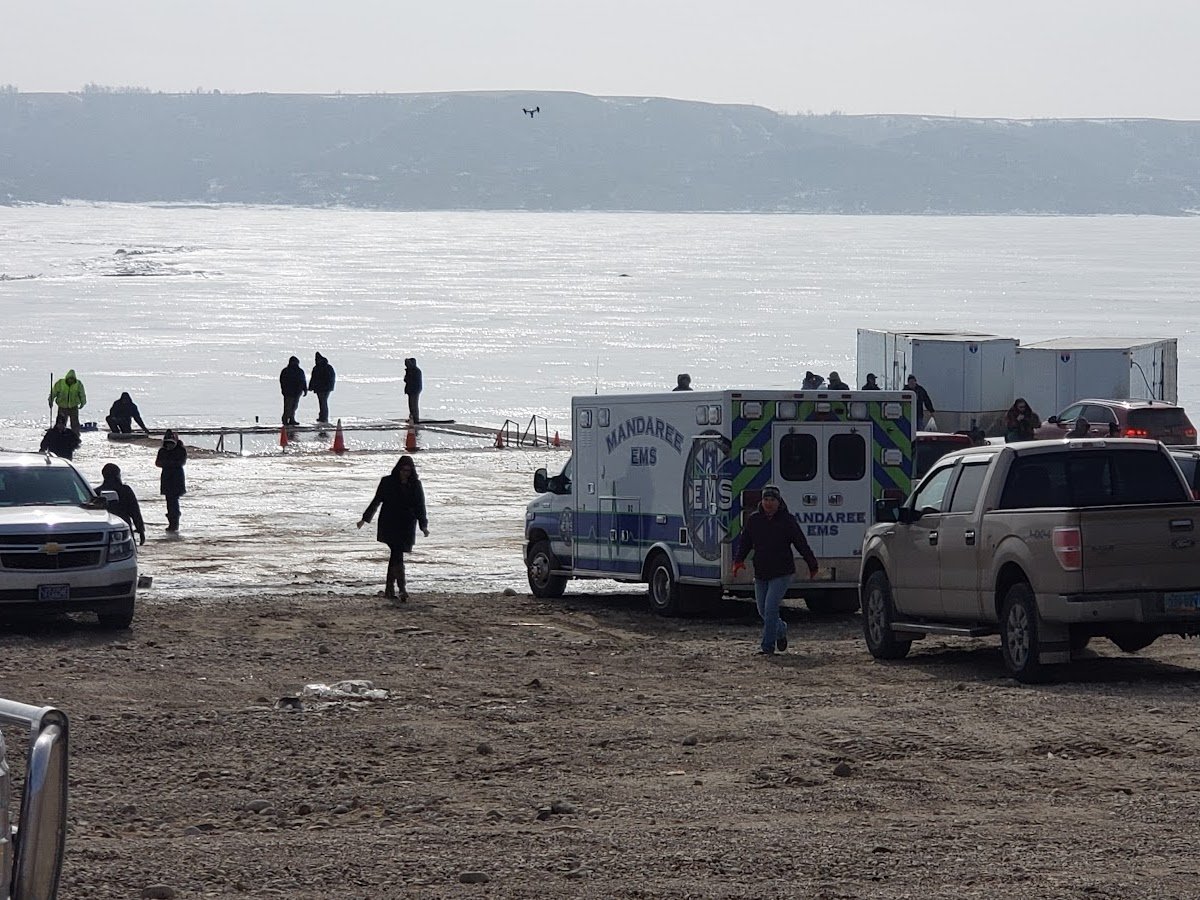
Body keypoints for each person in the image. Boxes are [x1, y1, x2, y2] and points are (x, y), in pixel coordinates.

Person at [732, 484, 819, 656]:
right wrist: (738, 560)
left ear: (779, 502)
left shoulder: (788, 521)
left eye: (772, 500)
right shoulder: (754, 520)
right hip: (761, 572)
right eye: (766, 499)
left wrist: (812, 563)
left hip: (782, 572)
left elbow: (800, 543)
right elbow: (745, 542)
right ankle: (781, 629)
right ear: (761, 501)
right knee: (763, 611)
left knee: (771, 608)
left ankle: (767, 647)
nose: (769, 503)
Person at [357, 455, 429, 602]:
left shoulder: (416, 484)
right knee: (397, 554)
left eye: (408, 471)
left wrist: (423, 526)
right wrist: (365, 519)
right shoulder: (387, 482)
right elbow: (376, 501)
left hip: (407, 525)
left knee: (396, 556)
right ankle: (402, 589)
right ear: (398, 469)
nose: (405, 473)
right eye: (403, 470)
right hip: (390, 523)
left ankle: (389, 589)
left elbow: (420, 506)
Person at [95, 463, 145, 545]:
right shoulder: (125, 490)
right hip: (124, 527)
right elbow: (135, 511)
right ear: (117, 475)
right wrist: (141, 530)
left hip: (105, 530)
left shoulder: (97, 492)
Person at [155, 429, 187, 532]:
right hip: (166, 478)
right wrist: (168, 463)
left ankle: (174, 523)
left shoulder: (180, 450)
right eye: (167, 444)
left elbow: (181, 462)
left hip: (177, 478)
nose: (169, 446)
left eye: (170, 443)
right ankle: (172, 523)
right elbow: (158, 462)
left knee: (173, 501)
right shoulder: (162, 451)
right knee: (169, 501)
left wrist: (168, 463)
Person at [48, 369, 87, 434]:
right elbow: (54, 392)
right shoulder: (60, 383)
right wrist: (50, 400)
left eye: (72, 379)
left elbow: (82, 394)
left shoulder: (78, 384)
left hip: (73, 406)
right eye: (69, 379)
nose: (71, 380)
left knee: (75, 424)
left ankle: (76, 437)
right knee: (61, 423)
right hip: (62, 407)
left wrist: (83, 402)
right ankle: (58, 436)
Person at [279, 356, 307, 426]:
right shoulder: (286, 371)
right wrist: (284, 390)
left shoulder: (300, 371)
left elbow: (303, 381)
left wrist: (305, 389)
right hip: (289, 392)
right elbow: (282, 381)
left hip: (297, 392)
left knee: (294, 406)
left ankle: (292, 419)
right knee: (288, 407)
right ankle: (285, 420)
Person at [309, 352, 336, 424]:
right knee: (322, 402)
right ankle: (322, 416)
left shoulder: (326, 367)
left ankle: (323, 417)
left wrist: (328, 387)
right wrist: (311, 386)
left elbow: (330, 378)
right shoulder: (318, 368)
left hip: (324, 388)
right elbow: (313, 378)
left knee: (323, 402)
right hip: (320, 388)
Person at [404, 357, 423, 424]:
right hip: (411, 389)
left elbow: (410, 380)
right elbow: (406, 379)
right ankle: (412, 417)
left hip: (415, 389)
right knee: (411, 405)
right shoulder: (410, 370)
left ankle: (415, 419)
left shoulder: (416, 371)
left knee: (414, 404)